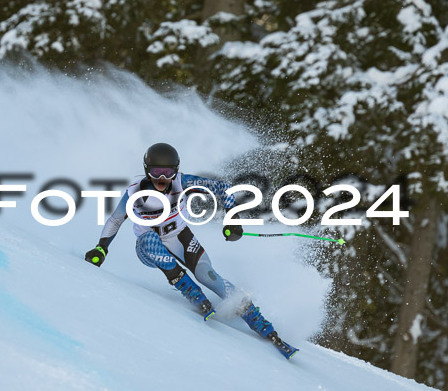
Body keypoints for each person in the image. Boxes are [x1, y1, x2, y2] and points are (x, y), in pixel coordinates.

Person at [84, 143, 296, 356]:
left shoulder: (183, 182)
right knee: (151, 240)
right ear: (147, 170)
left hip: (180, 237)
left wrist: (232, 219)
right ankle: (189, 290)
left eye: (168, 172)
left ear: (175, 171)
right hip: (147, 248)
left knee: (209, 277)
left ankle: (258, 321)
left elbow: (223, 189)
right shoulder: (134, 193)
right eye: (156, 172)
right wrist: (101, 248)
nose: (162, 179)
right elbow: (115, 220)